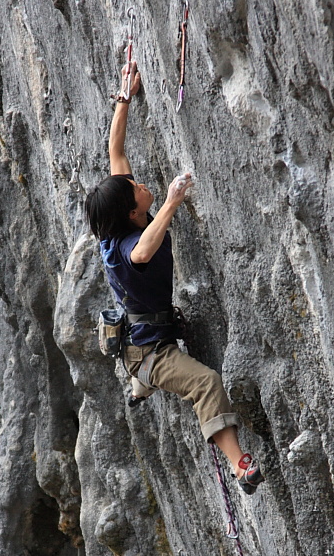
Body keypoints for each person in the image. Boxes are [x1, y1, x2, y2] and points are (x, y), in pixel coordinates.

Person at [85, 62, 264, 494]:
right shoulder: (130, 245)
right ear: (133, 212)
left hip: (143, 332)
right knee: (206, 383)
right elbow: (146, 250)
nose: (140, 183)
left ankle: (140, 382)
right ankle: (240, 466)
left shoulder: (121, 221)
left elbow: (116, 152)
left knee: (151, 351)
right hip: (151, 351)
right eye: (137, 190)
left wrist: (124, 95)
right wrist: (172, 200)